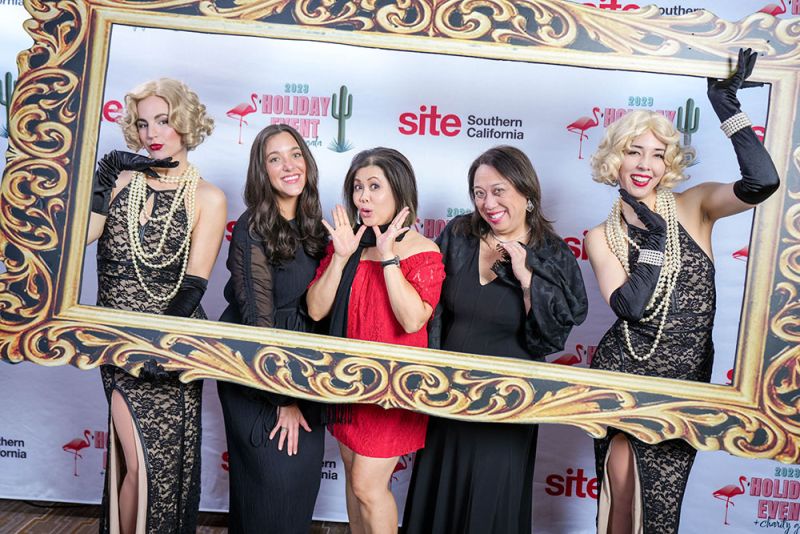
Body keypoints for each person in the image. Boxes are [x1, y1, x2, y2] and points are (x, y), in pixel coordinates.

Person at [584, 49, 780, 534]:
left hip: (685, 379)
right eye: (634, 151)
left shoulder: (694, 206)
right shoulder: (599, 235)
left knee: (660, 516)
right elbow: (630, 308)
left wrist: (726, 106)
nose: (645, 163)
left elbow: (763, 181)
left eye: (657, 153)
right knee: (623, 504)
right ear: (616, 158)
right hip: (625, 370)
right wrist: (651, 242)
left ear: (669, 162)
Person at [402, 145, 588, 534]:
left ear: (526, 193)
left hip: (507, 402)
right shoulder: (459, 235)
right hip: (448, 395)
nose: (488, 202)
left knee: (489, 502)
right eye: (479, 192)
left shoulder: (552, 255)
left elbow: (550, 338)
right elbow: (433, 312)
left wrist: (526, 278)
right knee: (441, 493)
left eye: (499, 190)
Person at [86, 78, 227, 534]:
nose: (152, 132)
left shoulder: (207, 196)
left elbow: (193, 286)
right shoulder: (122, 181)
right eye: (143, 123)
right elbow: (78, 240)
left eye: (163, 120)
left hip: (170, 347)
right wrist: (103, 176)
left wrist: (155, 346)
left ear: (184, 124)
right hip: (115, 344)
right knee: (138, 464)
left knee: (158, 472)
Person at [306, 147, 445, 534]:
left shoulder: (422, 249)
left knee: (369, 485)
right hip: (348, 383)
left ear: (399, 192)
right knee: (354, 480)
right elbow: (317, 310)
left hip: (393, 389)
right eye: (357, 187)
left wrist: (388, 258)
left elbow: (412, 317)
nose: (362, 197)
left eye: (374, 187)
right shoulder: (348, 244)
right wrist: (341, 257)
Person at [216, 124, 328, 534]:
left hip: (305, 374)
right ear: (262, 172)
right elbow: (256, 325)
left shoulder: (314, 224)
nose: (289, 166)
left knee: (296, 493)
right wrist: (282, 398)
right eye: (274, 159)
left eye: (295, 154)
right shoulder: (252, 228)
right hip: (261, 375)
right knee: (272, 488)